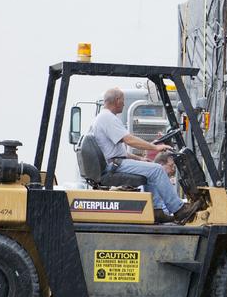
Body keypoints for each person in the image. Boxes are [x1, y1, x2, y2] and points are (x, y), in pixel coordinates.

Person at [85, 88, 199, 223]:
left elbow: (117, 151)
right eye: (123, 100)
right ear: (117, 101)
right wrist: (155, 147)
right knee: (157, 169)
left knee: (150, 168)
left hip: (114, 163)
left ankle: (157, 211)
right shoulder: (107, 118)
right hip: (114, 166)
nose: (123, 103)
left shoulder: (103, 118)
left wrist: (140, 159)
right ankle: (179, 210)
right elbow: (129, 140)